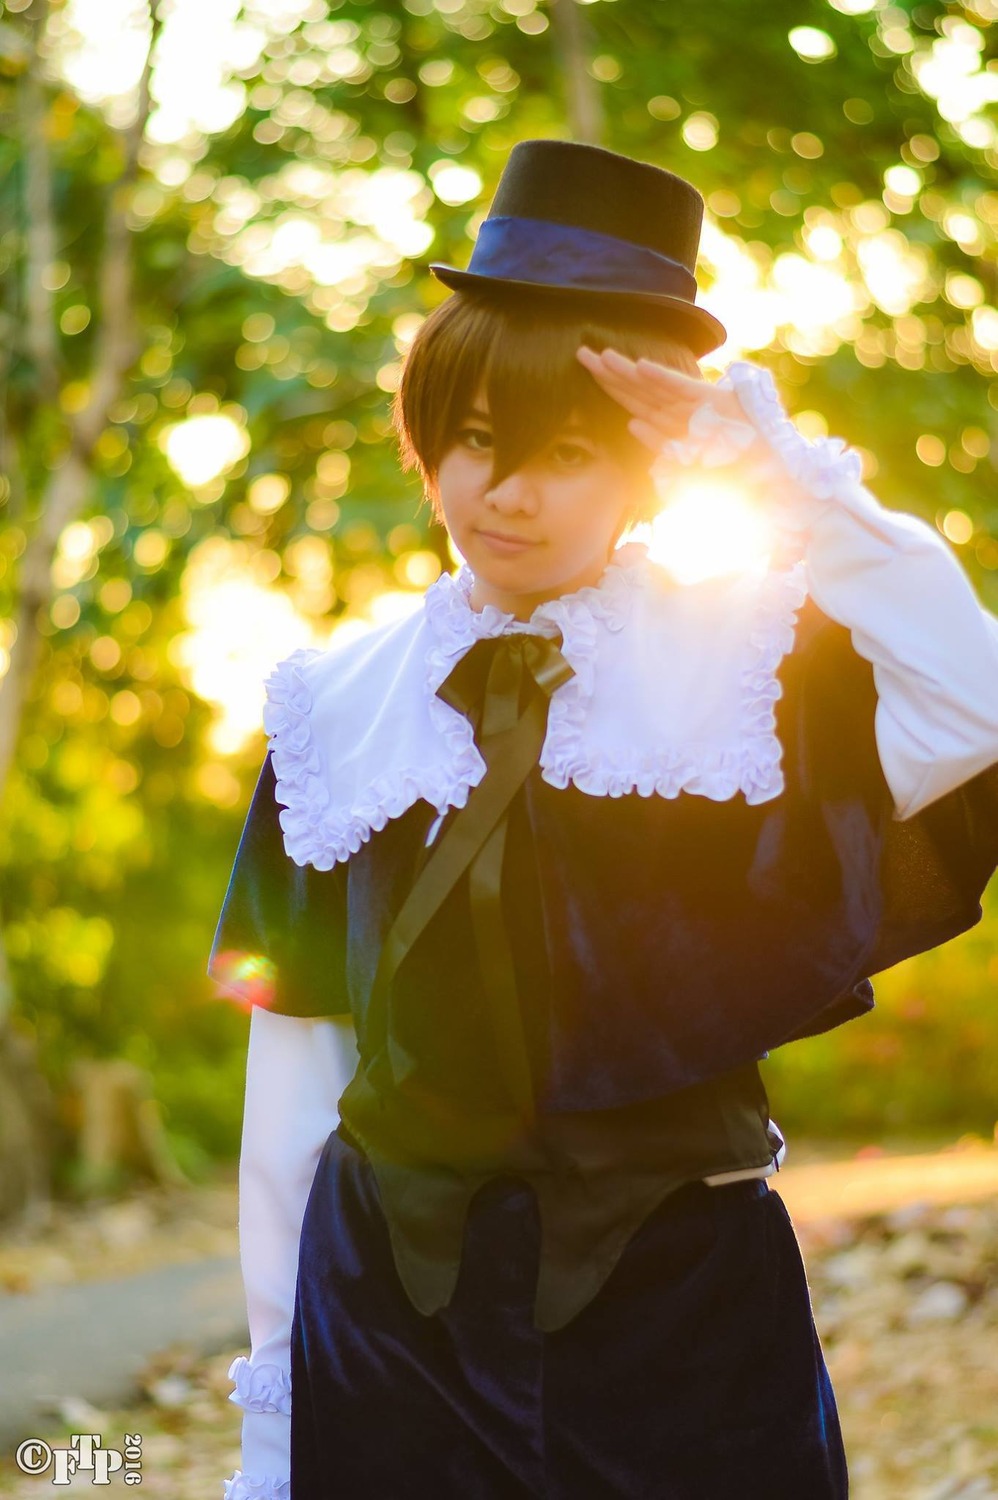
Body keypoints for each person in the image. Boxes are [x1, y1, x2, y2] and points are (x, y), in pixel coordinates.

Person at [208, 140, 998, 1499]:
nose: (507, 493)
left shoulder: (745, 670)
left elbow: (974, 703)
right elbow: (296, 1069)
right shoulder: (335, 708)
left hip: (681, 1317)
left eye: (568, 452)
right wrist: (281, 1411)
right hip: (390, 1322)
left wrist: (781, 475)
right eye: (475, 440)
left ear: (648, 462)